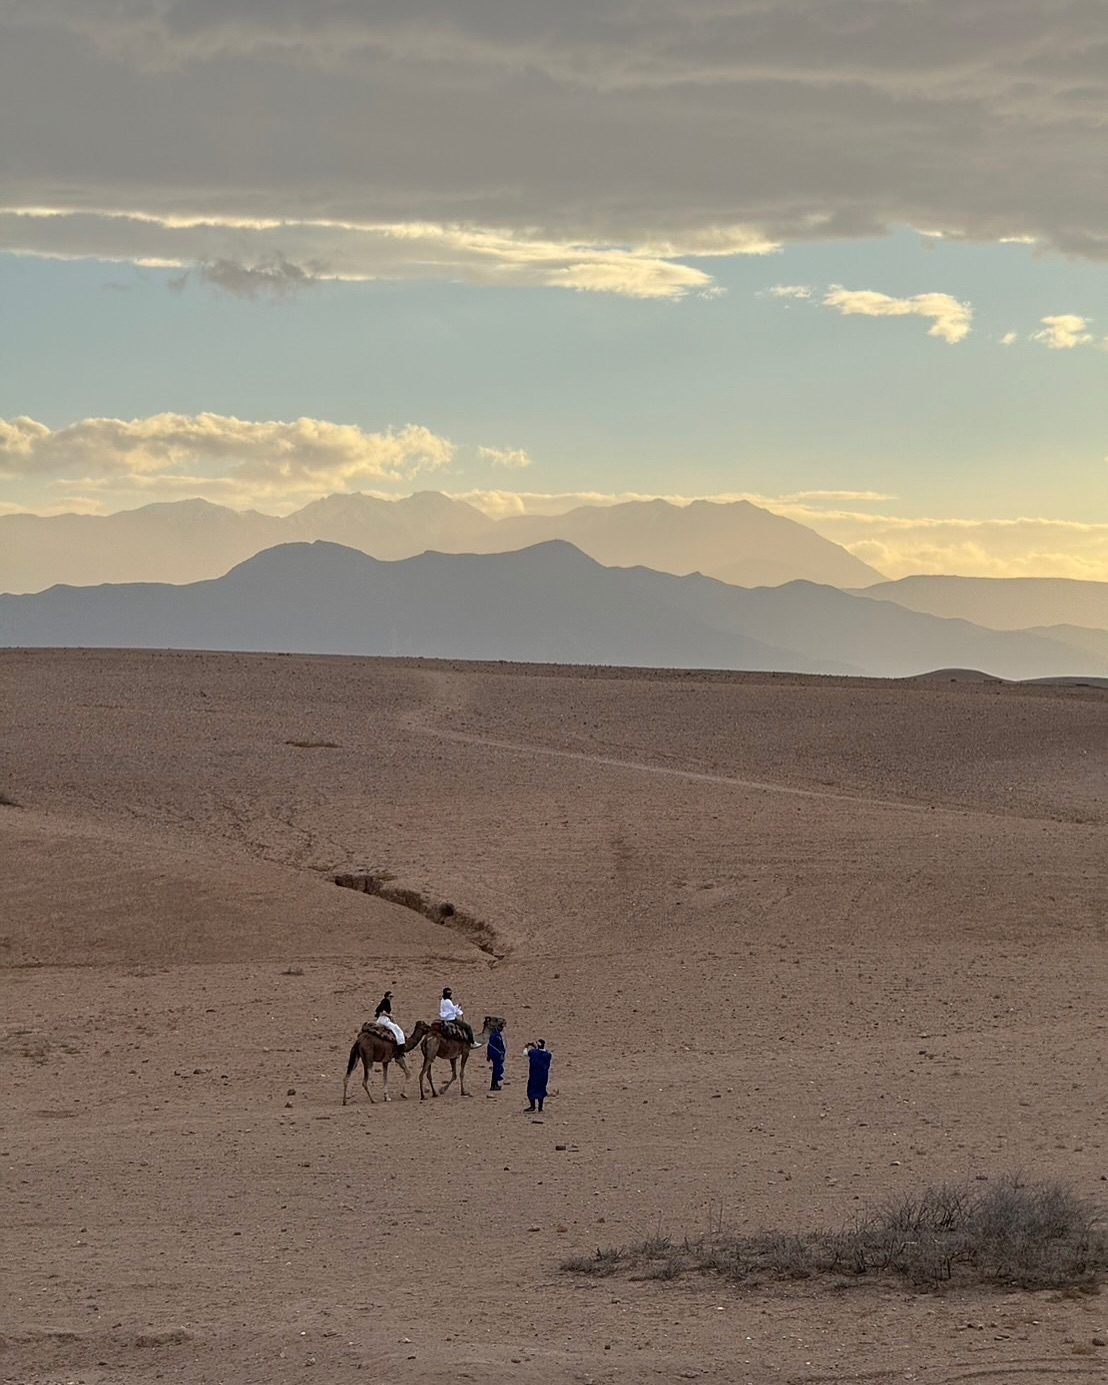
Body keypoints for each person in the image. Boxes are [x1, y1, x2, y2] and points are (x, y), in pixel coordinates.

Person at [524, 1038, 552, 1113]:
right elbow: (540, 1053)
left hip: (534, 1075)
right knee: (541, 1090)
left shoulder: (533, 1052)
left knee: (531, 1090)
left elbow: (525, 1054)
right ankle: (540, 1108)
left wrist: (526, 1047)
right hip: (544, 1076)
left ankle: (532, 1106)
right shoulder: (548, 1054)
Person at [486, 1022, 506, 1091]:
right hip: (496, 1055)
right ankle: (495, 1085)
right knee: (497, 1070)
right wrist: (501, 1054)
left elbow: (489, 1046)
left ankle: (494, 1085)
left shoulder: (493, 1035)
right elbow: (500, 1046)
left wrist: (488, 1055)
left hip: (493, 1054)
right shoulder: (497, 1035)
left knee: (495, 1070)